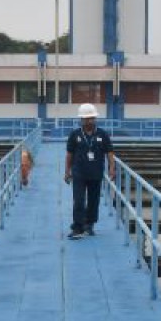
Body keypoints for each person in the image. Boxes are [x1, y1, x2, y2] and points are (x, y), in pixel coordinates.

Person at [64, 103, 115, 240]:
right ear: (81, 120)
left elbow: (109, 152)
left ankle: (90, 224)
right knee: (79, 201)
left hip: (96, 173)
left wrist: (111, 168)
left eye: (91, 118)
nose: (89, 121)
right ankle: (77, 227)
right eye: (86, 118)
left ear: (95, 118)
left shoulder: (102, 134)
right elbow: (69, 154)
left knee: (94, 201)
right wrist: (67, 171)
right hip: (79, 173)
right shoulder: (75, 135)